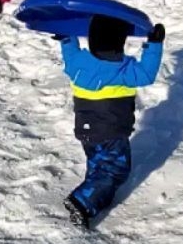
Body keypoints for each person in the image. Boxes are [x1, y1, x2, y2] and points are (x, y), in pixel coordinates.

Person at [57, 15, 165, 228]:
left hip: (86, 130)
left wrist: (66, 36)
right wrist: (154, 44)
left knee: (98, 163)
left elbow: (70, 54)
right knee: (115, 169)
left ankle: (99, 197)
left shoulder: (78, 63)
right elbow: (147, 74)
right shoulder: (124, 70)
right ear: (119, 43)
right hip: (111, 132)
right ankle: (82, 201)